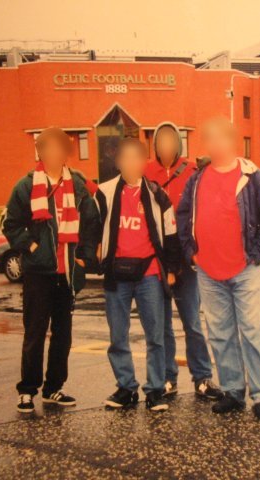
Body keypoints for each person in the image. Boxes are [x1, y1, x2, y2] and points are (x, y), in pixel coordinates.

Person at [176, 117, 260, 420]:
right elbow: (183, 217)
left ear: (231, 141)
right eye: (210, 138)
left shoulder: (252, 176)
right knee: (221, 335)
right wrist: (191, 253)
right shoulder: (196, 180)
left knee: (253, 332)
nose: (216, 144)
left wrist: (258, 253)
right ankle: (234, 392)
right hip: (209, 272)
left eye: (221, 138)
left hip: (245, 269)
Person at [3, 127, 101, 413]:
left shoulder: (78, 185)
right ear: (41, 152)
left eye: (60, 149)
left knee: (63, 335)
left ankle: (54, 389)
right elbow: (11, 224)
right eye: (49, 149)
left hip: (67, 273)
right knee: (34, 333)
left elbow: (91, 224)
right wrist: (32, 247)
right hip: (38, 273)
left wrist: (83, 259)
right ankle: (27, 390)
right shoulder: (26, 186)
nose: (54, 154)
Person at [95, 138, 181, 412]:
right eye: (126, 158)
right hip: (116, 273)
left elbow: (171, 235)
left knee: (155, 335)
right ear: (118, 162)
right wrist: (94, 249)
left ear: (145, 162)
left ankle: (155, 389)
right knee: (118, 336)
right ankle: (126, 388)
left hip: (150, 273)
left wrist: (172, 270)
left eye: (138, 158)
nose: (132, 163)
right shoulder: (104, 193)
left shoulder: (158, 195)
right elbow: (92, 228)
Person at [145, 122, 222, 400]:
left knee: (191, 321)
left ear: (178, 142)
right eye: (161, 139)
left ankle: (202, 378)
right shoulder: (145, 172)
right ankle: (167, 378)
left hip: (186, 260)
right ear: (155, 144)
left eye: (171, 139)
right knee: (162, 323)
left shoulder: (193, 169)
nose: (166, 144)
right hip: (158, 260)